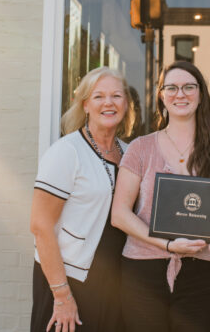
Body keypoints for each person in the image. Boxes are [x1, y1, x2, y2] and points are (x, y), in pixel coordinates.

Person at [111, 60, 210, 332]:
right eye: (171, 87)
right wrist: (169, 246)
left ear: (201, 94)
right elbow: (120, 214)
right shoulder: (141, 148)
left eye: (188, 87)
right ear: (161, 95)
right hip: (142, 271)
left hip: (201, 270)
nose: (180, 94)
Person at [30, 67, 135, 332]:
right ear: (85, 104)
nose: (108, 103)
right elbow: (40, 227)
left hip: (115, 282)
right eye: (99, 96)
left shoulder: (130, 153)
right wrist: (62, 295)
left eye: (116, 96)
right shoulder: (67, 152)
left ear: (126, 104)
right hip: (71, 279)